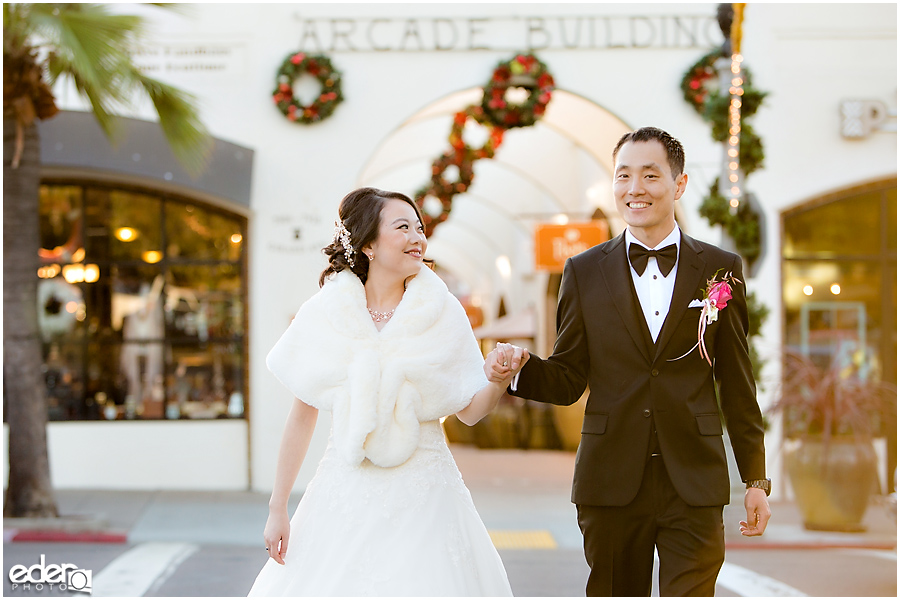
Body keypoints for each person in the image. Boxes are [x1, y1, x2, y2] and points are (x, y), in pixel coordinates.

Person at [486, 127, 771, 596]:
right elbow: (568, 378)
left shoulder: (720, 270)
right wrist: (519, 369)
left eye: (650, 175)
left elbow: (737, 381)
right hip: (611, 481)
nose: (634, 189)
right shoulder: (582, 271)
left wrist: (755, 478)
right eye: (623, 176)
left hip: (693, 480)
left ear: (678, 185)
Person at [248, 187, 513, 596]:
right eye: (403, 227)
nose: (417, 237)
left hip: (427, 495)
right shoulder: (327, 312)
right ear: (369, 243)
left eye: (420, 228)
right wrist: (277, 508)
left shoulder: (443, 312)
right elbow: (302, 415)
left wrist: (496, 378)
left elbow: (470, 412)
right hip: (346, 487)